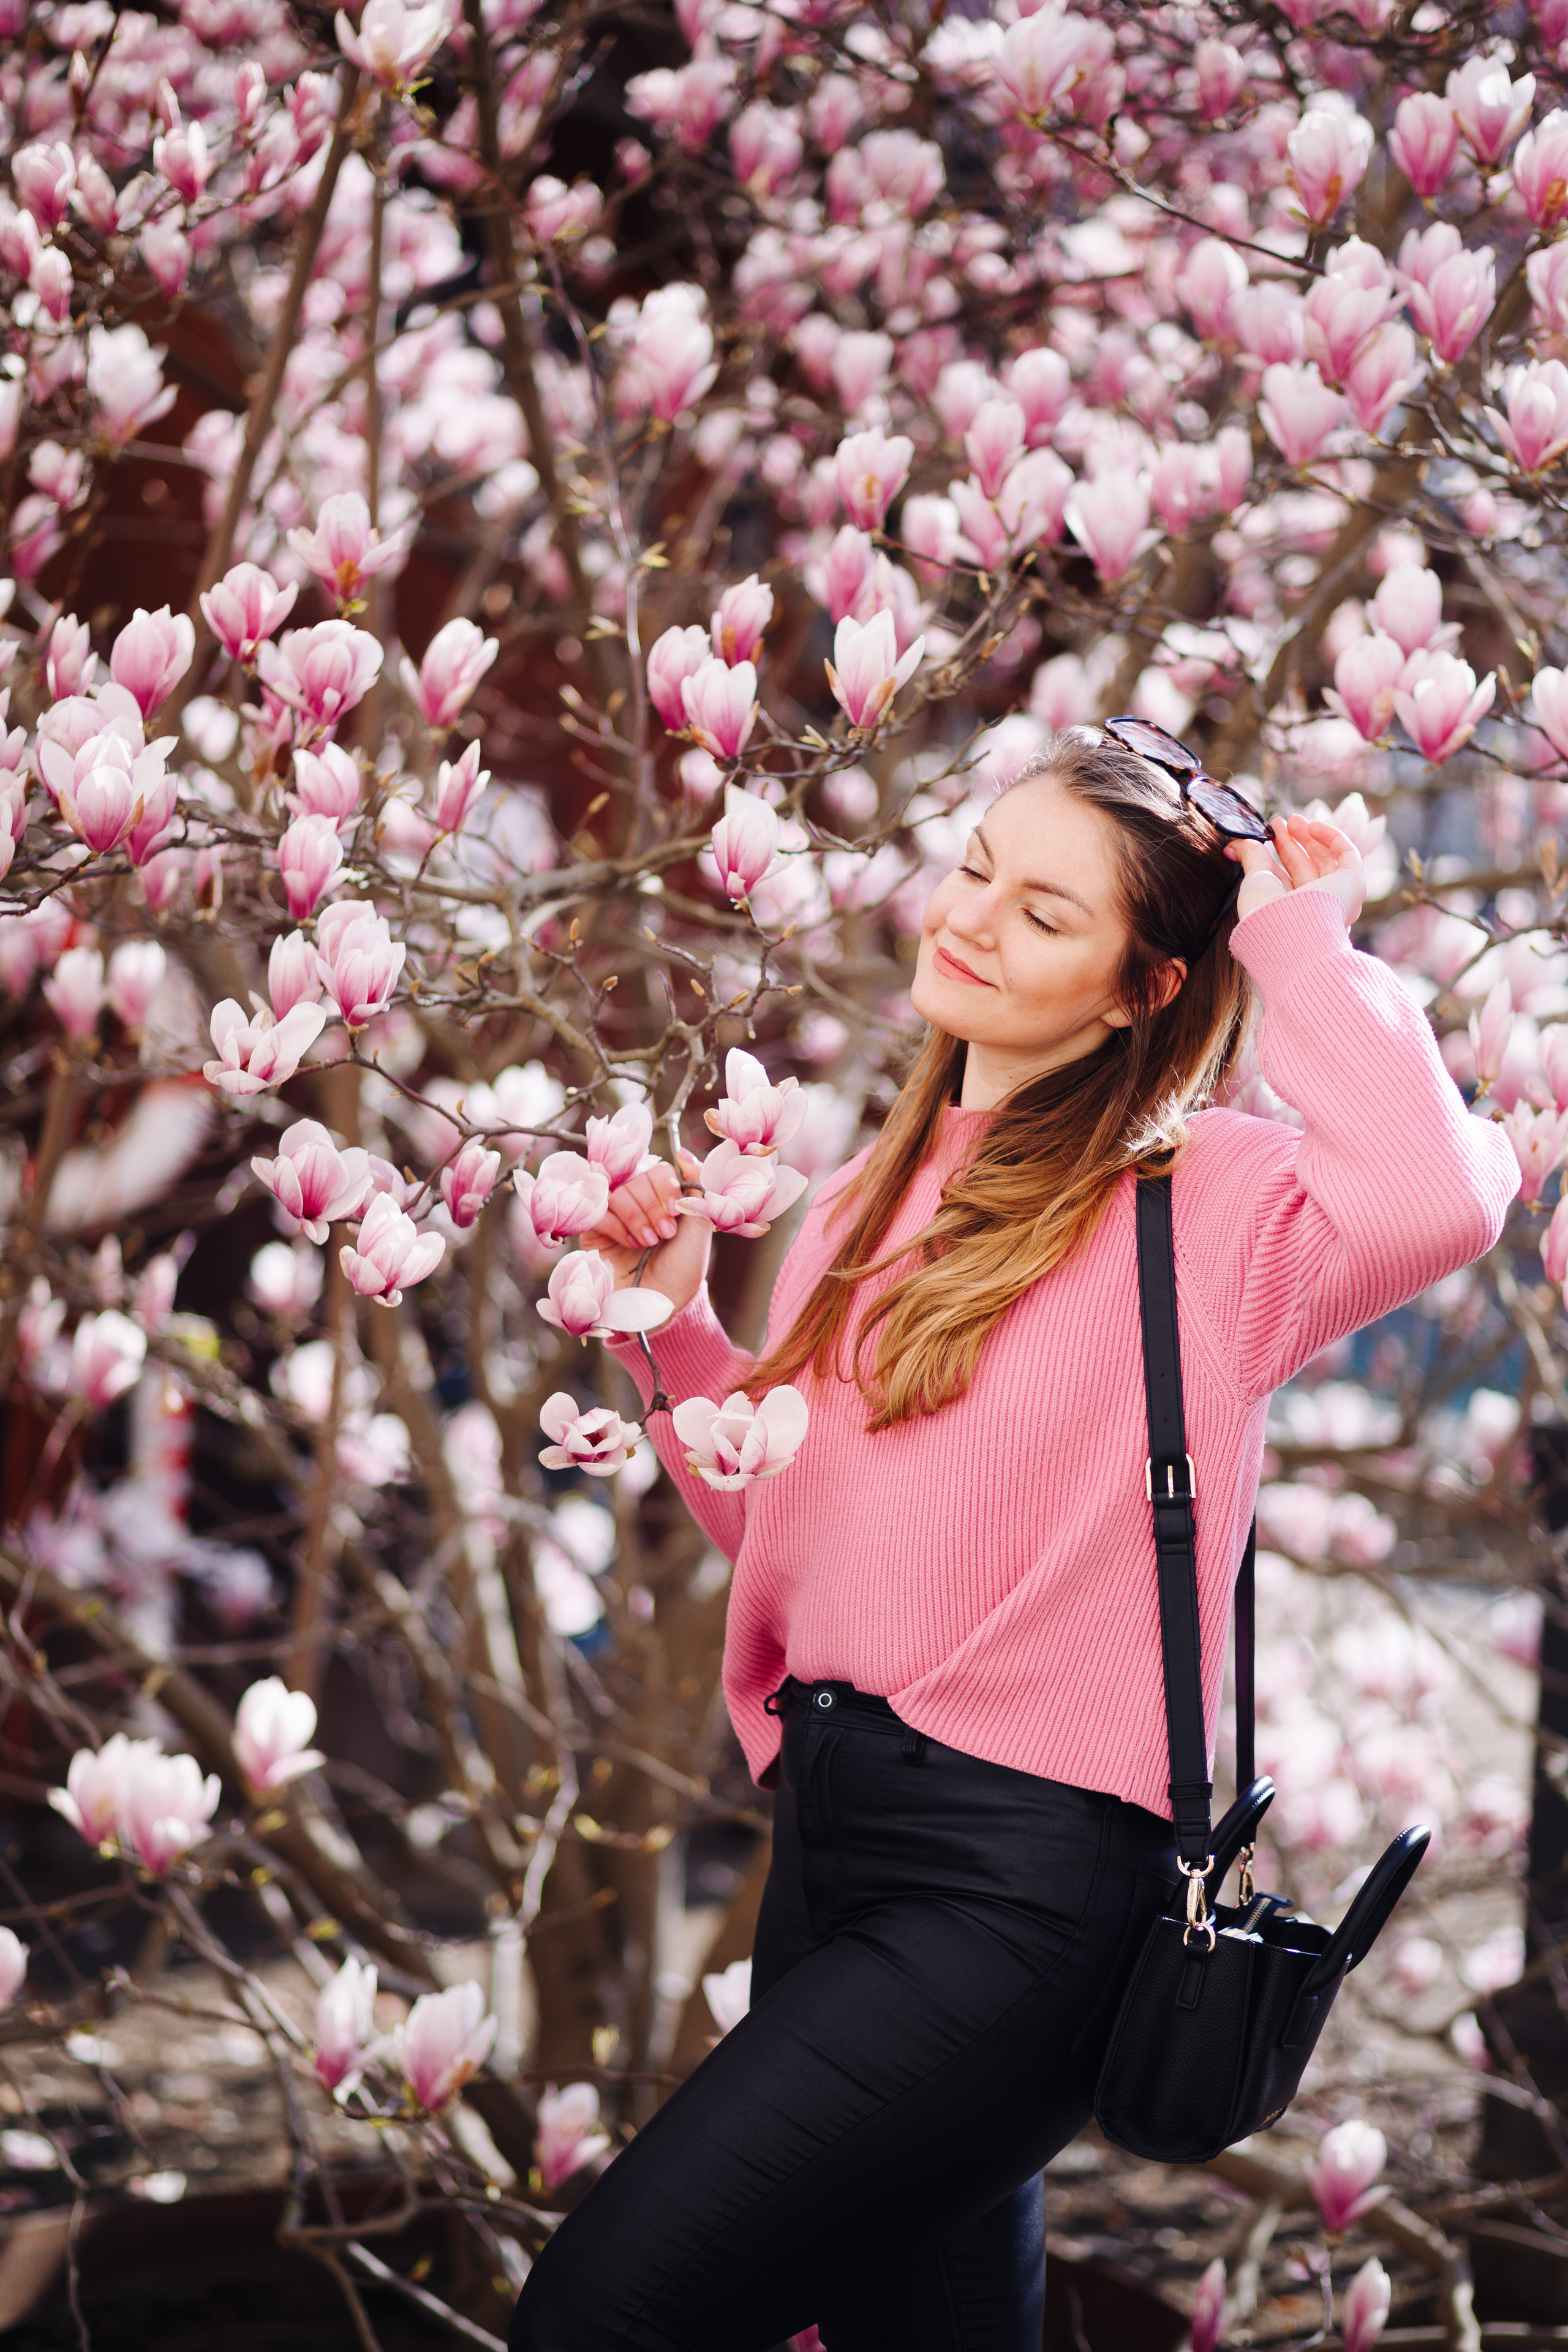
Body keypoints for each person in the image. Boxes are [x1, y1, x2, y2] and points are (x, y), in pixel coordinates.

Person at [509, 728, 1518, 2352]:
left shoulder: (1211, 1201)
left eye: (1049, 915)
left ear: (1148, 987)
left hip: (1021, 1896)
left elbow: (1439, 1196)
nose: (974, 919)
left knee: (607, 2319)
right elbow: (801, 1540)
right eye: (980, 870)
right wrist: (671, 1327)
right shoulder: (855, 1200)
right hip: (833, 1846)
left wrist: (1295, 939)